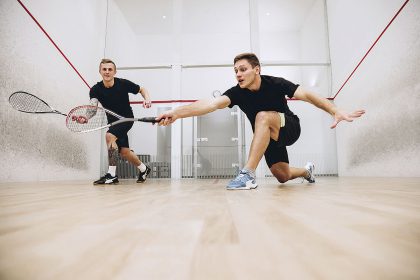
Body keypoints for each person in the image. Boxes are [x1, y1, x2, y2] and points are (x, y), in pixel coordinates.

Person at [156, 53, 365, 190]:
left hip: (289, 126)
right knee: (282, 176)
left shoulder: (276, 83)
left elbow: (307, 95)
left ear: (257, 69)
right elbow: (210, 104)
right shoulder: (236, 93)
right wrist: (176, 113)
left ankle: (247, 174)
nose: (238, 74)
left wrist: (334, 110)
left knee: (262, 116)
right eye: (236, 70)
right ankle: (307, 171)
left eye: (243, 69)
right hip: (269, 136)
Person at [89, 58, 152, 185]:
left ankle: (111, 175)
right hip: (113, 122)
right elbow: (92, 109)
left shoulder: (123, 83)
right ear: (100, 71)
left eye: (110, 69)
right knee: (124, 152)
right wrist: (85, 118)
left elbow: (141, 89)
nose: (107, 72)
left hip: (126, 119)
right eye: (104, 69)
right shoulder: (95, 89)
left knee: (109, 136)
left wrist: (147, 99)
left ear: (115, 72)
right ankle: (144, 169)